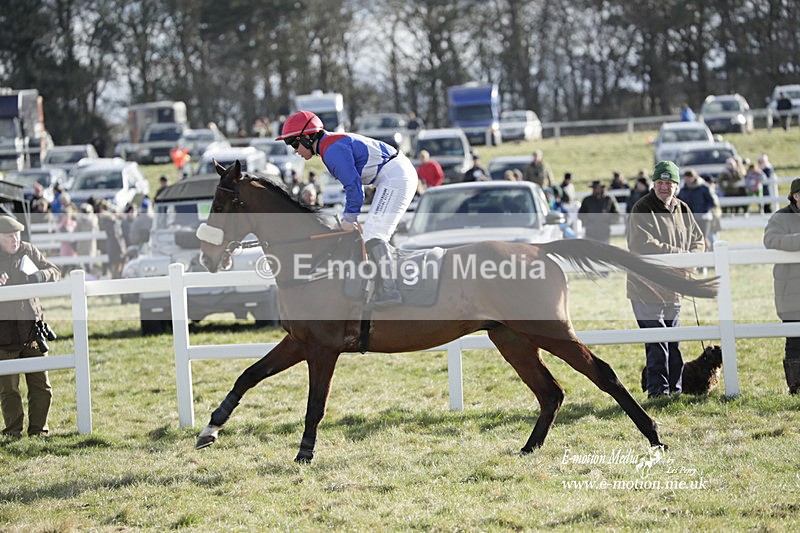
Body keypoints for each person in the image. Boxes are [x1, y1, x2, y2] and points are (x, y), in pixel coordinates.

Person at [276, 110, 418, 309]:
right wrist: (349, 217)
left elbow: (354, 188)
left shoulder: (332, 150)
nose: (295, 151)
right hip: (393, 174)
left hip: (396, 176)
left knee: (373, 234)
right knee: (371, 234)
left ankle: (390, 291)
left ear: (307, 138)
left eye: (294, 143)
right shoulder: (329, 147)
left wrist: (349, 218)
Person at [627, 161, 705, 398]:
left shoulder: (683, 209)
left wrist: (691, 261)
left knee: (674, 342)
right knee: (658, 341)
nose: (664, 187)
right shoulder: (641, 208)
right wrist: (680, 256)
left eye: (669, 182)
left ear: (676, 185)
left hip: (674, 289)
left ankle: (676, 390)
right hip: (646, 289)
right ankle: (658, 393)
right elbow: (641, 244)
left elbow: (699, 240)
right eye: (660, 182)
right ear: (654, 183)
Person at [0, 215, 61, 438]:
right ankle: (13, 432)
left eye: (16, 235)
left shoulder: (29, 250)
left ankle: (39, 431)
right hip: (4, 335)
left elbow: (55, 272)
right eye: (9, 236)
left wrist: (39, 275)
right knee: (9, 389)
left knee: (41, 387)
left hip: (32, 332)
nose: (15, 240)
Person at [763, 178, 800, 394]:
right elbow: (771, 240)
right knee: (795, 341)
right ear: (796, 196)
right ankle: (795, 386)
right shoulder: (780, 218)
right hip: (791, 291)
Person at [677, 169, 718, 248]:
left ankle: (706, 254)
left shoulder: (704, 188)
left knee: (703, 237)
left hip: (703, 218)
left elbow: (712, 202)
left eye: (689, 178)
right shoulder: (683, 190)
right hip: (689, 218)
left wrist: (704, 210)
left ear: (694, 177)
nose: (687, 180)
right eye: (686, 179)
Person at [97, 201, 126, 279]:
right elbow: (117, 237)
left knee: (113, 268)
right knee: (117, 268)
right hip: (117, 248)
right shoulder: (113, 223)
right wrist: (122, 248)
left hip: (111, 248)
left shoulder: (107, 223)